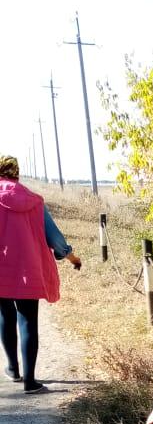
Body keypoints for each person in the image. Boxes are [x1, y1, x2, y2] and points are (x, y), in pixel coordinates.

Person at [0, 155, 82, 393]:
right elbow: (54, 237)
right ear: (16, 173)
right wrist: (71, 258)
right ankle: (30, 381)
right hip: (28, 269)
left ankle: (13, 369)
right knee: (28, 320)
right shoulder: (34, 201)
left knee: (5, 316)